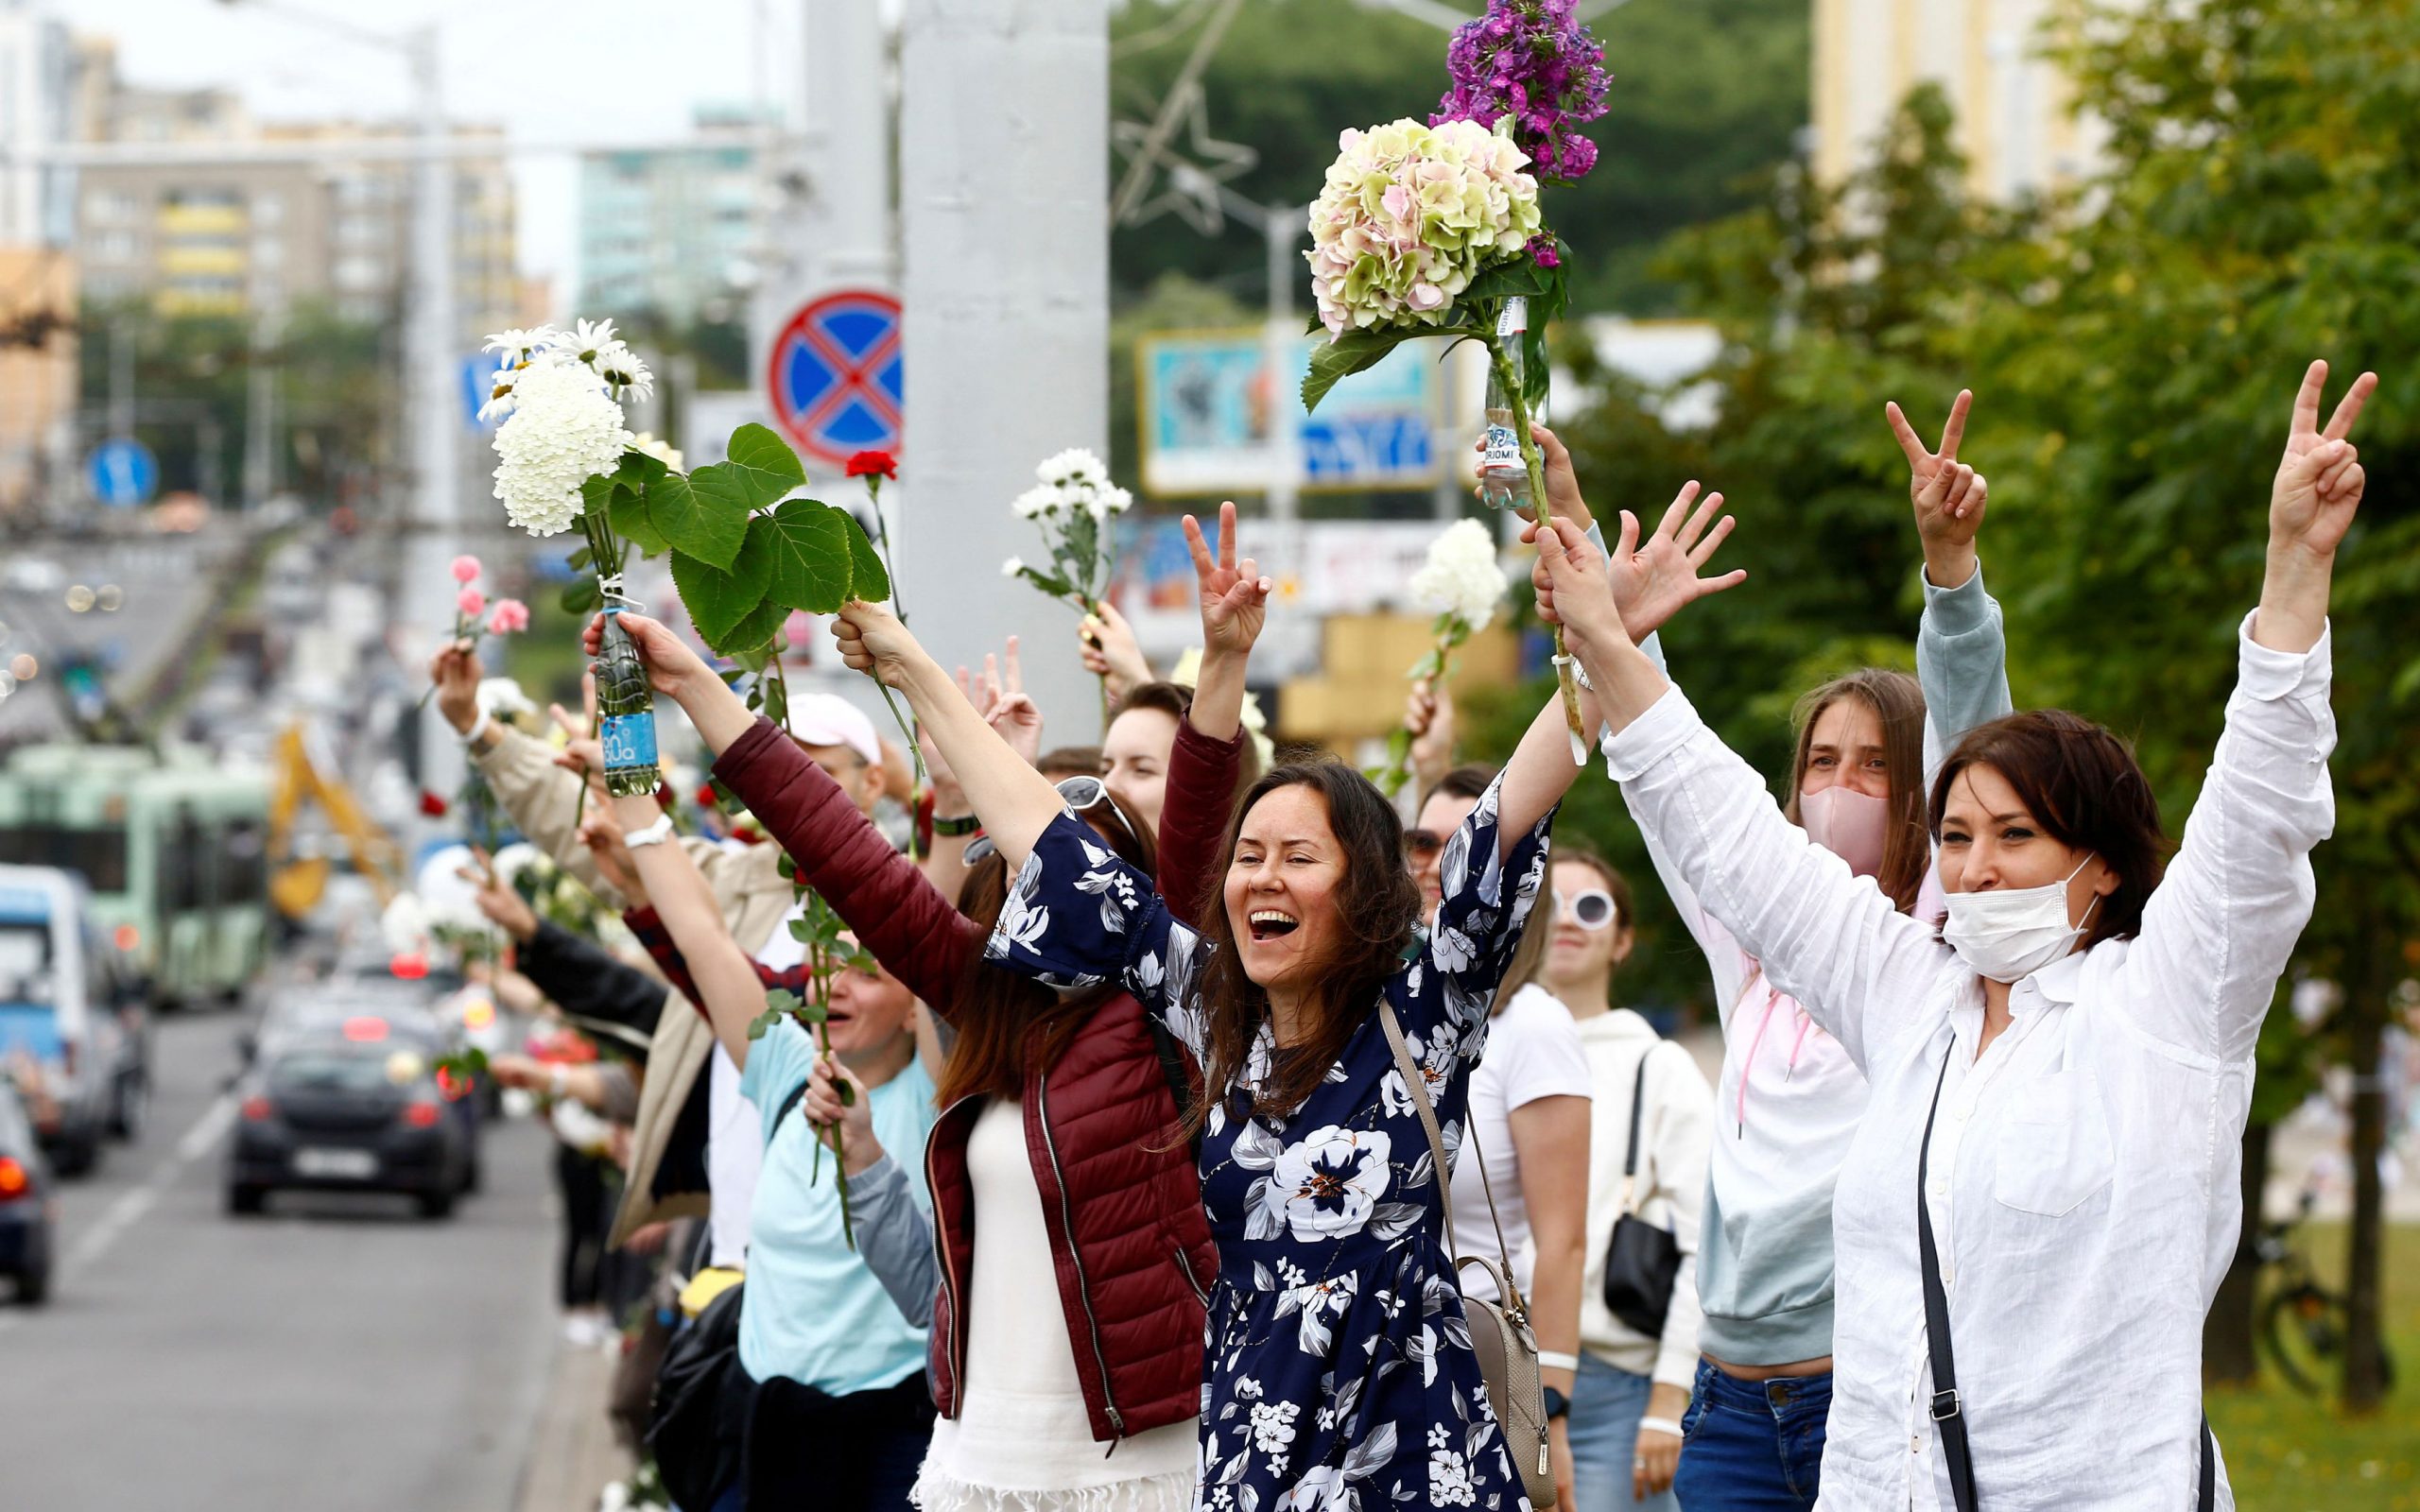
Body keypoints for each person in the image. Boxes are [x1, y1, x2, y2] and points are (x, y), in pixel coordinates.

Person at [1534, 360, 2370, 1511]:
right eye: (1957, 838)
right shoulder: (1907, 991)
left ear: (2106, 861)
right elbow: (1721, 826)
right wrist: (1602, 637)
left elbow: (2260, 812)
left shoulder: (2172, 998)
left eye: (2014, 837)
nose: (1972, 871)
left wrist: (2294, 570)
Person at [838, 498, 1743, 1511]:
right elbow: (1043, 834)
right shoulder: (1207, 1013)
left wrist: (1604, 642)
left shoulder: (1424, 1010)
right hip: (1250, 1461)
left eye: (1298, 858)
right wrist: (906, 662)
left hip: (1411, 1463)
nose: (1261, 879)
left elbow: (1511, 807)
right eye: (1248, 857)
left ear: (1360, 891)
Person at [585, 501, 1267, 1512]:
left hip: (1135, 1457)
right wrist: (693, 690)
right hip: (976, 1447)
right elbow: (845, 857)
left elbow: (1199, 827)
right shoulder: (990, 1000)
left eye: (1081, 846)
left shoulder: (1178, 997)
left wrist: (1219, 668)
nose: (1047, 866)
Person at [1606, 395, 2012, 1511]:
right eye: (1819, 761)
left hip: (1866, 1390)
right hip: (1729, 1404)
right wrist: (1605, 610)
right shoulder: (1753, 935)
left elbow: (1981, 737)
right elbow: (1662, 771)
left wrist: (1951, 572)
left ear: (1922, 795)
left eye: (1873, 765)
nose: (1837, 785)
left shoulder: (1938, 937)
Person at [579, 763, 940, 1512]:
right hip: (765, 1420)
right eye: (827, 965)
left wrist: (953, 800)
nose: (837, 985)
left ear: (917, 1006)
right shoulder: (782, 1060)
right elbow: (702, 935)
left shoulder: (945, 1091)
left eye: (869, 973)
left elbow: (934, 928)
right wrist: (638, 806)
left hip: (899, 1431)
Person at [1423, 766, 1594, 1511]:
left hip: (1485, 1376)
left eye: (1466, 845)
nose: (1440, 865)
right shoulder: (1376, 1009)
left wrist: (1548, 1411)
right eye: (1423, 842)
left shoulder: (1532, 1025)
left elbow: (1562, 1242)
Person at [1536, 848, 1711, 1512]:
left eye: (1591, 906)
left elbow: (1709, 1244)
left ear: (1623, 938)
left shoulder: (1656, 1067)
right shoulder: (1483, 1056)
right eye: (1549, 905)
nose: (1568, 922)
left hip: (1612, 1390)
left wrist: (1670, 1398)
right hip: (1493, 1374)